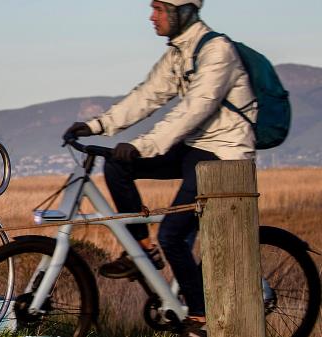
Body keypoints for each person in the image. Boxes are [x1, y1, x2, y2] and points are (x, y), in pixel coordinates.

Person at [63, 0, 257, 336]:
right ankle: (142, 249)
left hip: (225, 153)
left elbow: (195, 109)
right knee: (117, 166)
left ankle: (200, 315)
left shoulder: (217, 51)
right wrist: (97, 125)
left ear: (183, 11)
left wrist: (143, 145)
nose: (152, 16)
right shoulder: (179, 53)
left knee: (172, 234)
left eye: (160, 8)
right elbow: (147, 96)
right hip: (195, 146)